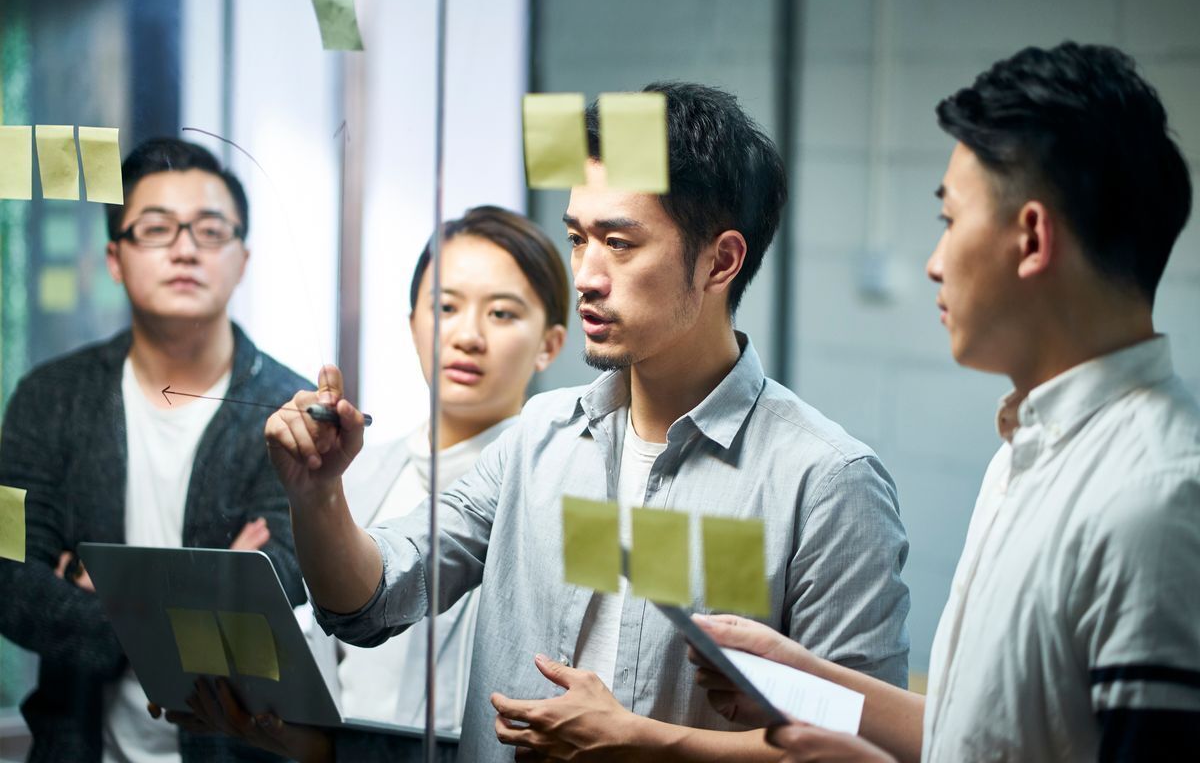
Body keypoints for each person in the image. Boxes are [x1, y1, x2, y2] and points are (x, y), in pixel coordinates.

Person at [264, 81, 911, 762]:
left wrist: (647, 746)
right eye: (577, 239)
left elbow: (858, 747)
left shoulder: (826, 482)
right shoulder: (539, 435)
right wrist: (318, 494)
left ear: (720, 260)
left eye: (620, 244)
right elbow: (372, 598)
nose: (587, 277)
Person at [691, 42, 1200, 762]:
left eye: (950, 220)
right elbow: (985, 737)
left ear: (1030, 238)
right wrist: (804, 679)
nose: (934, 261)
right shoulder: (1033, 449)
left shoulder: (1154, 499)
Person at [164, 206, 569, 761]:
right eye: (445, 307)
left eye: (502, 313)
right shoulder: (351, 474)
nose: (468, 336)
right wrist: (277, 730)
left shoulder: (560, 489)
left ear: (550, 343)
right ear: (412, 325)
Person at [0, 138, 311, 763]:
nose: (185, 248)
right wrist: (210, 589)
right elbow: (10, 578)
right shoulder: (49, 398)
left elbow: (287, 577)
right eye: (156, 229)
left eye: (211, 230)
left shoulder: (288, 409)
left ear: (243, 258)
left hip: (239, 751)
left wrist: (112, 594)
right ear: (115, 258)